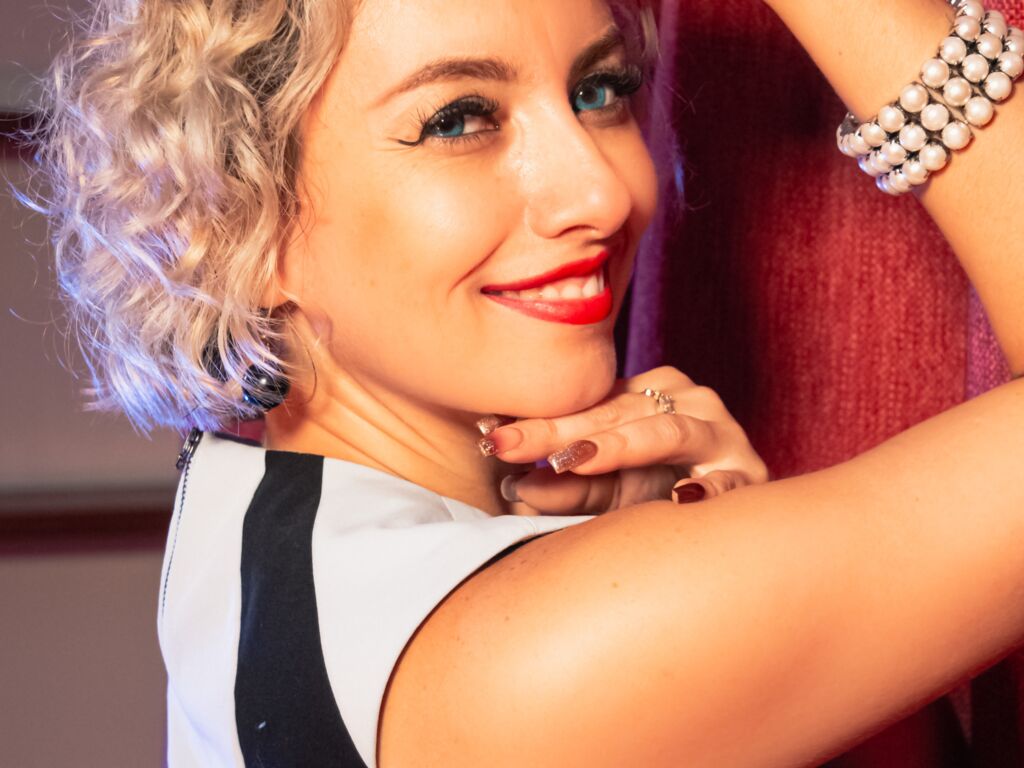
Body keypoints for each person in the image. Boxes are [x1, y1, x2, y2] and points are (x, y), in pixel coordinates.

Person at [24, 0, 1024, 764]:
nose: (600, 190)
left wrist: (730, 567)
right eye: (460, 118)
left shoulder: (262, 545)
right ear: (234, 214)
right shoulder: (509, 663)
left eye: (599, 91)